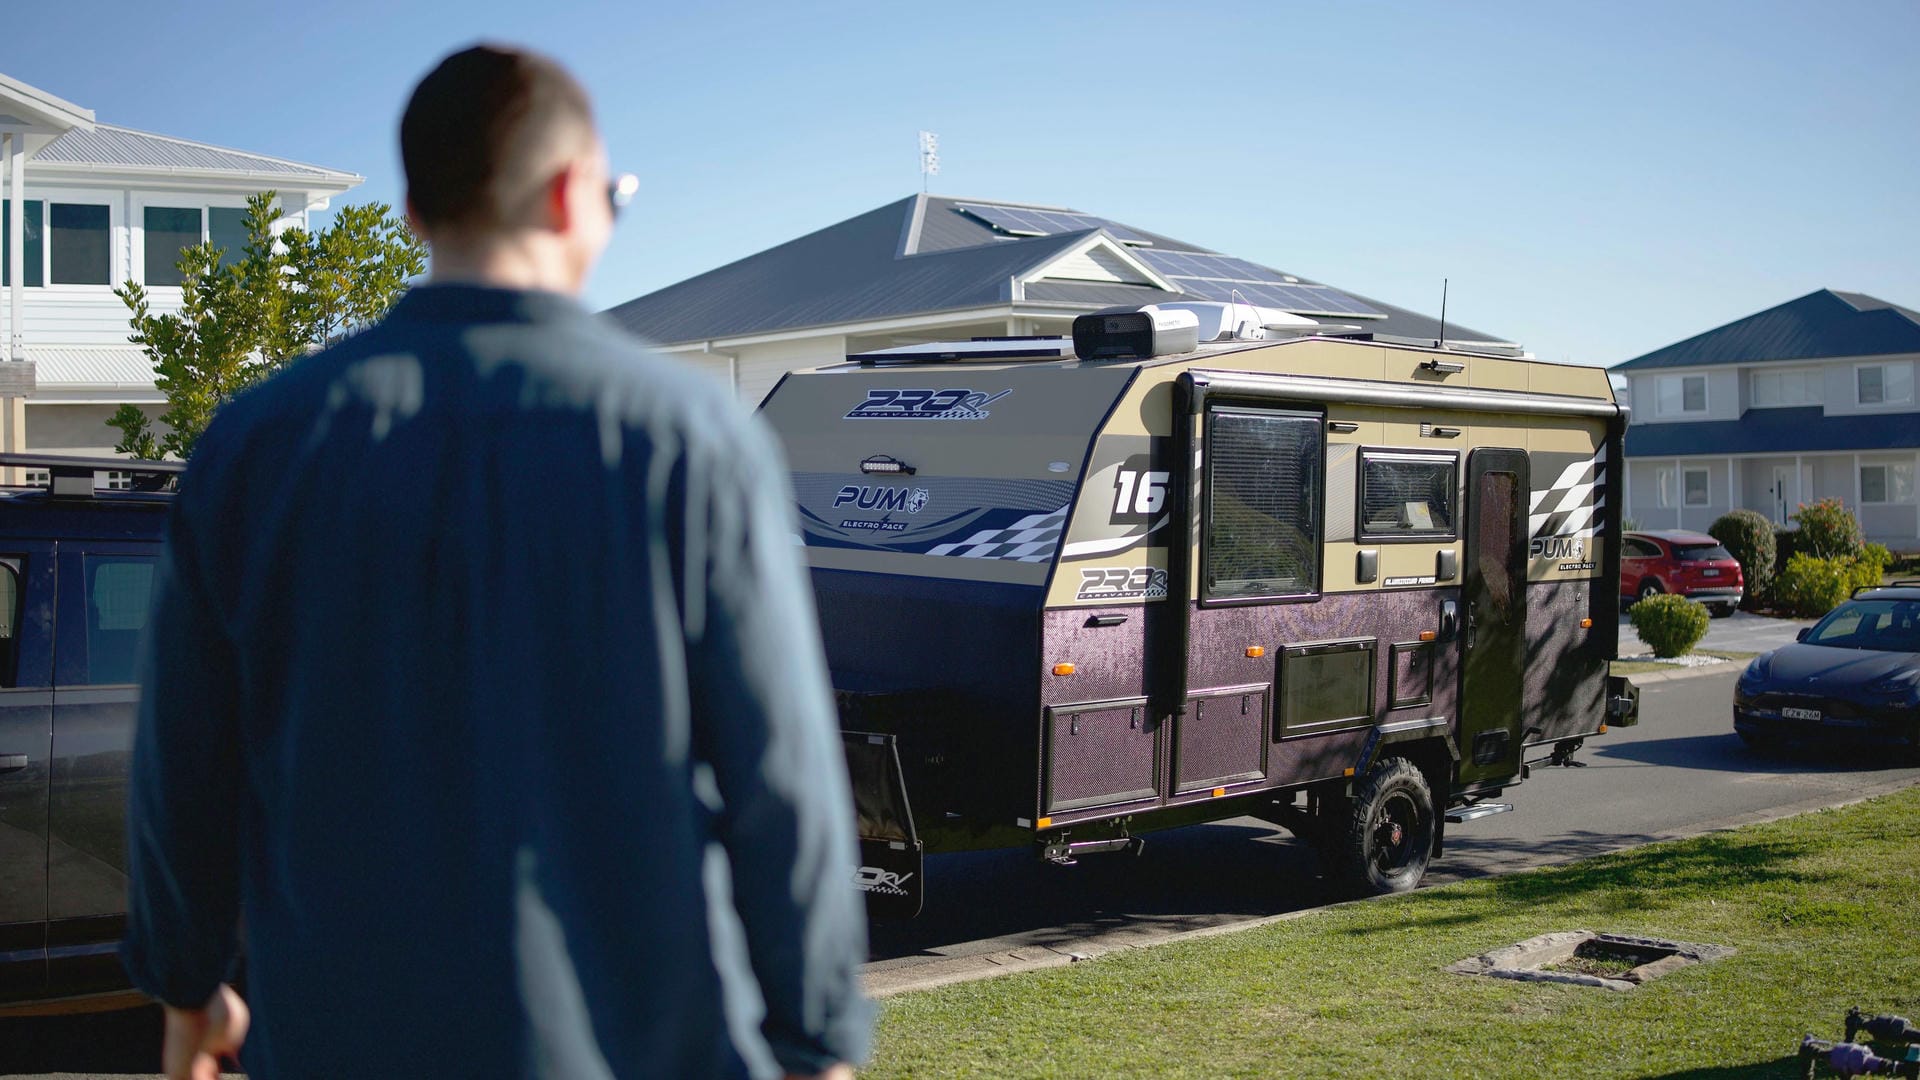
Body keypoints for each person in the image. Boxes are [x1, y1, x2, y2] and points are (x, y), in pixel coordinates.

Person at [123, 44, 871, 1080]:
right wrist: (818, 1039)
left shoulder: (253, 445)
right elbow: (782, 779)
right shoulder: (695, 440)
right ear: (570, 195)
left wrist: (186, 984)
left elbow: (183, 768)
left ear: (419, 215)